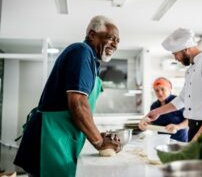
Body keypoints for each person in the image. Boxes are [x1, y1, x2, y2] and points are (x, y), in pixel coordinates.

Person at [14, 15, 122, 177]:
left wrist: (98, 134)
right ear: (92, 35)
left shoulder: (92, 62)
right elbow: (78, 103)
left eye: (118, 41)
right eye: (110, 38)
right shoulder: (82, 52)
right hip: (50, 138)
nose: (115, 44)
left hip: (61, 137)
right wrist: (99, 142)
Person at [144, 28, 202, 142]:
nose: (176, 59)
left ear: (186, 49)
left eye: (176, 54)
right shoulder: (190, 70)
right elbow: (181, 99)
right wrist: (156, 112)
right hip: (193, 126)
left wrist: (201, 134)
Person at [139, 77, 188, 142]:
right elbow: (152, 122)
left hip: (179, 141)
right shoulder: (154, 106)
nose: (160, 93)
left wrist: (178, 126)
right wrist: (145, 124)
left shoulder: (179, 102)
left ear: (170, 89)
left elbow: (190, 120)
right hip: (161, 141)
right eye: (156, 90)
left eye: (162, 89)